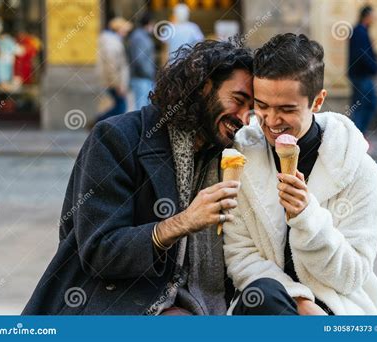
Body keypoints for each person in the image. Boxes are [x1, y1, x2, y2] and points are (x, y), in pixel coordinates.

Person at [22, 39, 253, 315]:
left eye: (253, 108)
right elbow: (99, 252)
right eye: (238, 100)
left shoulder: (231, 151)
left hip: (207, 301)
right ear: (204, 87)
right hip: (124, 302)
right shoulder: (117, 138)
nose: (245, 118)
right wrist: (182, 222)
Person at [223, 33, 377, 315]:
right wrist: (300, 300)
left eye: (287, 109)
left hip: (338, 306)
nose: (272, 121)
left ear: (317, 101)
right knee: (262, 295)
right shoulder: (240, 160)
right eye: (261, 106)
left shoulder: (360, 169)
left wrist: (307, 218)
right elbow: (239, 256)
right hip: (269, 303)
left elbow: (352, 276)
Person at [348, 5, 377, 134]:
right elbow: (361, 55)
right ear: (367, 17)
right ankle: (358, 136)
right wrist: (373, 67)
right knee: (365, 106)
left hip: (361, 75)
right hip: (361, 75)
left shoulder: (361, 31)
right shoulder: (359, 32)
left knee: (363, 105)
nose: (375, 19)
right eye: (373, 16)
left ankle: (358, 136)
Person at [96, 17, 132, 122]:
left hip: (113, 82)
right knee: (120, 108)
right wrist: (118, 85)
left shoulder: (112, 41)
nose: (126, 33)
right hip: (114, 83)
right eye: (124, 30)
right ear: (119, 30)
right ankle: (98, 123)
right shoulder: (112, 43)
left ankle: (99, 124)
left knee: (119, 107)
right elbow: (111, 66)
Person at [127, 12, 156, 110]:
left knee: (144, 108)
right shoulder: (140, 37)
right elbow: (139, 60)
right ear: (149, 23)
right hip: (141, 78)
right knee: (141, 109)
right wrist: (149, 73)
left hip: (144, 78)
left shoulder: (141, 36)